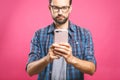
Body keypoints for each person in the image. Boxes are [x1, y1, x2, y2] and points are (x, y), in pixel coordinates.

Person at [26, 0, 97, 80]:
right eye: (56, 8)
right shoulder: (39, 34)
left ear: (70, 8)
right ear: (50, 8)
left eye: (64, 8)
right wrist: (47, 59)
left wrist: (72, 59)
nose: (60, 12)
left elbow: (92, 69)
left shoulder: (84, 34)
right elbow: (30, 70)